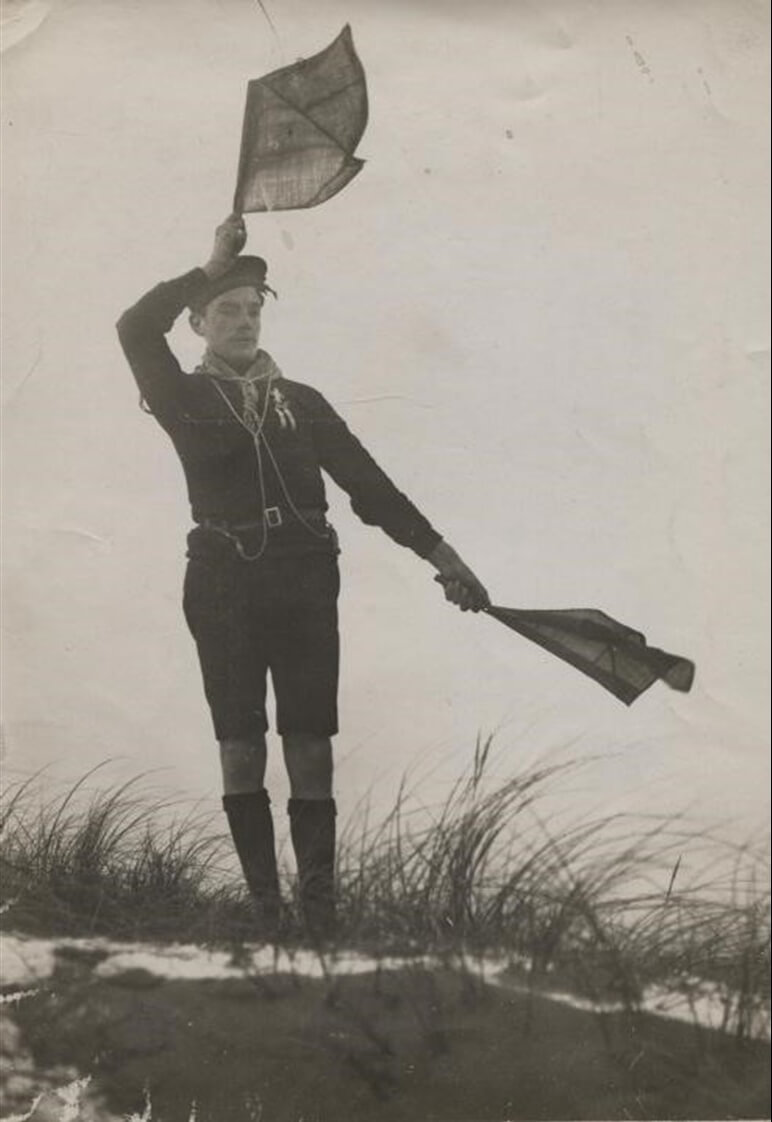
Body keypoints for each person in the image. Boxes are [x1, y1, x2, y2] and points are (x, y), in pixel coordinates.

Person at [117, 214, 489, 942]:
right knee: (240, 744)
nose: (245, 321)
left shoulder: (306, 403)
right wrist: (209, 263)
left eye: (255, 310)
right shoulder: (181, 398)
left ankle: (319, 917)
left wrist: (445, 558)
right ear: (196, 323)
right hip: (222, 580)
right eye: (228, 309)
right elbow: (134, 327)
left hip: (307, 581)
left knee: (311, 744)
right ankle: (266, 910)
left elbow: (372, 490)